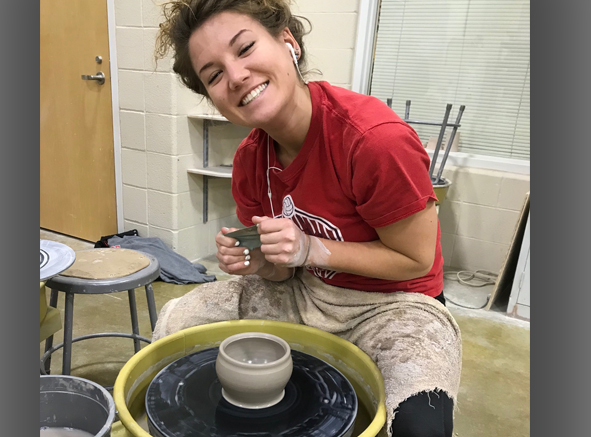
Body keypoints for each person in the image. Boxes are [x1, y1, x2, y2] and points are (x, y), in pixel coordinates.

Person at [153, 1, 462, 436]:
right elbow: (280, 274)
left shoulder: (373, 140)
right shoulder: (248, 162)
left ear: (288, 43)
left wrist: (312, 247)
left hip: (395, 305)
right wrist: (262, 263)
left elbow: (416, 261)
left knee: (418, 426)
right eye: (214, 75)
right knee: (177, 323)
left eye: (244, 49)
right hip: (304, 292)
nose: (236, 76)